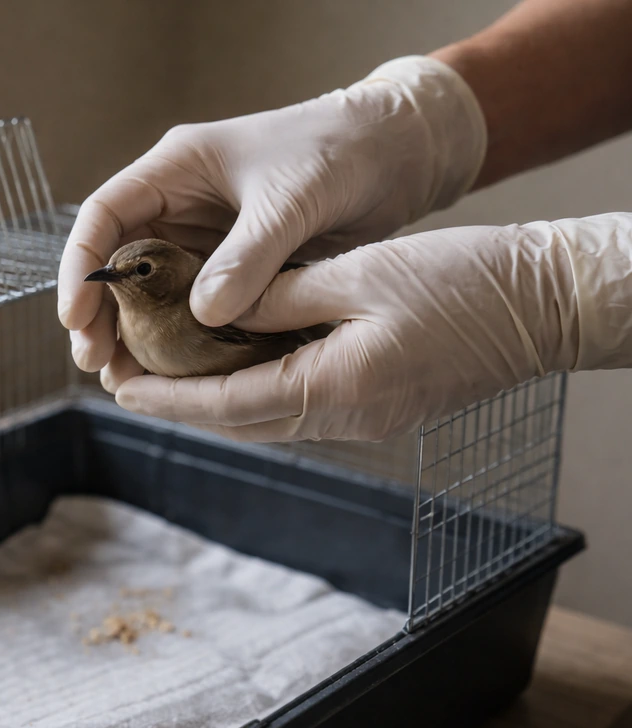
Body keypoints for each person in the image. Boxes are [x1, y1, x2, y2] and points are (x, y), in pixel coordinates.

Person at [56, 0, 632, 442]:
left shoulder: (186, 305)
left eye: (141, 272)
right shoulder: (133, 317)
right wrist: (422, 119)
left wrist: (554, 294)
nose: (118, 280)